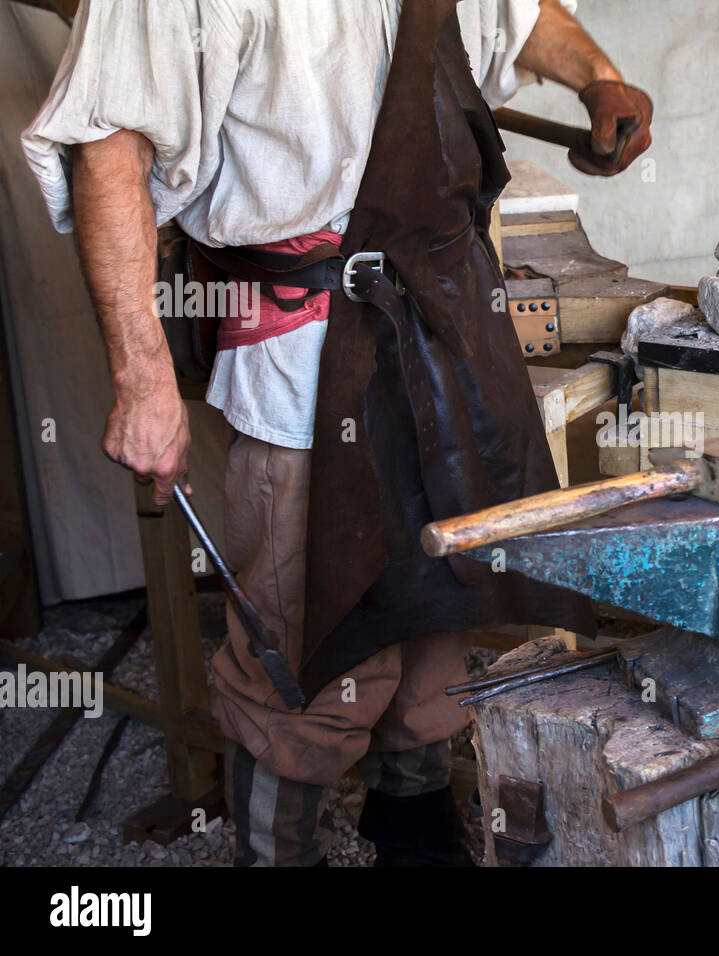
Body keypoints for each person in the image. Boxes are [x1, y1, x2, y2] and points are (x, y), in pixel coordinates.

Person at [23, 0, 651, 867]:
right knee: (308, 643)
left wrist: (598, 77)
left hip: (450, 320)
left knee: (443, 605)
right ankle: (279, 856)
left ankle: (415, 831)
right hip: (307, 348)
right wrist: (140, 380)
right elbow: (108, 149)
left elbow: (517, 13)